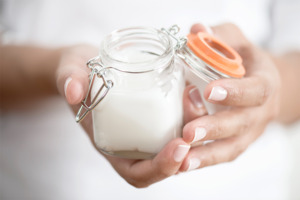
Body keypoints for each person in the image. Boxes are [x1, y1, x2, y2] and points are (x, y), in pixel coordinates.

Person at [1, 0, 300, 199]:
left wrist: (271, 92)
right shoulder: (104, 73)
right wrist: (52, 69)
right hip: (41, 185)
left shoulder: (172, 70)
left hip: (242, 188)